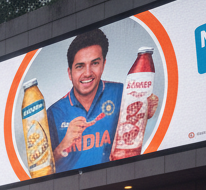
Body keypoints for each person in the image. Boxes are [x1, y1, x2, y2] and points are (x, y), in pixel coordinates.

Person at [47, 28, 159, 171]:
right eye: (80, 66)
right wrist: (64, 144)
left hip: (117, 181)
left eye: (94, 63)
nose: (87, 73)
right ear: (70, 73)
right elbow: (42, 171)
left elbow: (137, 134)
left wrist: (146, 113)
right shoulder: (53, 113)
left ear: (103, 65)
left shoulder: (122, 93)